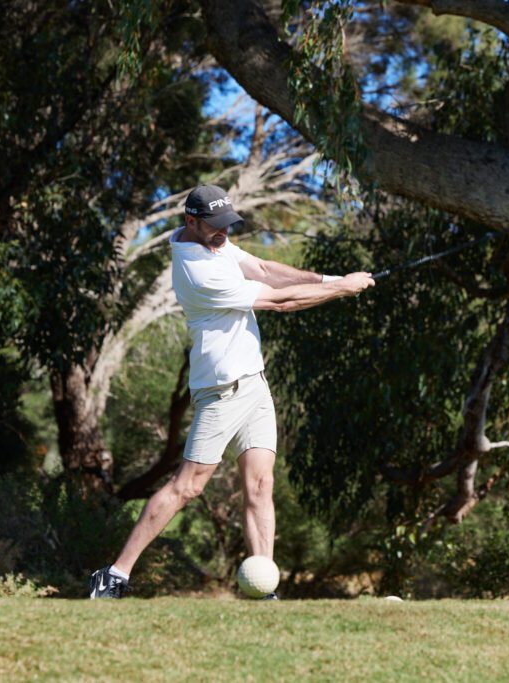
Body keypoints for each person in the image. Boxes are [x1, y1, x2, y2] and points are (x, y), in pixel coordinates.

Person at [89, 185, 374, 599]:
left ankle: (264, 587)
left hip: (253, 382)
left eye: (228, 224)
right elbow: (279, 301)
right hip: (222, 390)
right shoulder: (197, 270)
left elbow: (263, 268)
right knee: (188, 487)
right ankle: (114, 575)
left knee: (260, 484)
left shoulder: (216, 244)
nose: (224, 232)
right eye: (216, 225)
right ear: (191, 221)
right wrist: (341, 290)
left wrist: (331, 279)